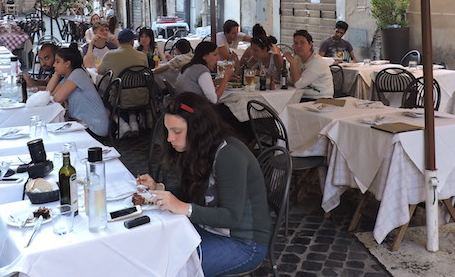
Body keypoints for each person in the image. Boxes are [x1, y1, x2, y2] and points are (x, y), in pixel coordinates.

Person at [136, 93, 269, 277]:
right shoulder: (199, 149)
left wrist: (183, 207)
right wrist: (160, 189)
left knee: (169, 268)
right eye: (168, 131)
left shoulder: (228, 155)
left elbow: (232, 218)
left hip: (245, 243)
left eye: (177, 131)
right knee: (153, 249)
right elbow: (196, 193)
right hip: (210, 229)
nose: (169, 139)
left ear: (198, 129)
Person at [46, 43, 110, 138]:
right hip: (83, 123)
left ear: (67, 63)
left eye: (57, 62)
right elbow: (49, 94)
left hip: (94, 127)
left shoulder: (78, 74)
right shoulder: (68, 78)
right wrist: (56, 73)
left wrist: (57, 73)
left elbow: (57, 99)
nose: (54, 65)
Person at [281, 29, 334, 99]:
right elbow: (290, 80)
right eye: (296, 43)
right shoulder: (297, 58)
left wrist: (292, 62)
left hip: (320, 99)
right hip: (300, 96)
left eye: (302, 43)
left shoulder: (316, 62)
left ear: (310, 45)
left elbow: (298, 84)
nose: (299, 46)